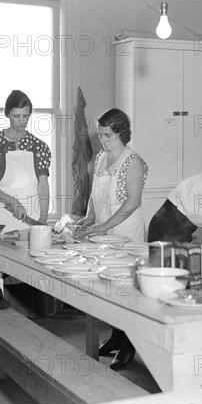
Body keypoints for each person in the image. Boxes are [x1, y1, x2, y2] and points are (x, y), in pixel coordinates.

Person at [71, 108, 148, 371]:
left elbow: (132, 202)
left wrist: (103, 226)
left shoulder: (132, 161)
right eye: (101, 135)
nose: (102, 141)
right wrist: (89, 219)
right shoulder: (102, 158)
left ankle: (128, 343)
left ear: (120, 134)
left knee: (126, 289)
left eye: (107, 136)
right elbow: (95, 195)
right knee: (109, 287)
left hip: (126, 234)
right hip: (104, 233)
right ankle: (116, 335)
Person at [0, 90, 50, 230]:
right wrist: (12, 202)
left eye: (26, 116)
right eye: (17, 116)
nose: (22, 121)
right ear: (7, 114)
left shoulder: (39, 146)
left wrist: (43, 218)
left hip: (32, 215)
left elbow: (43, 185)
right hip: (2, 213)